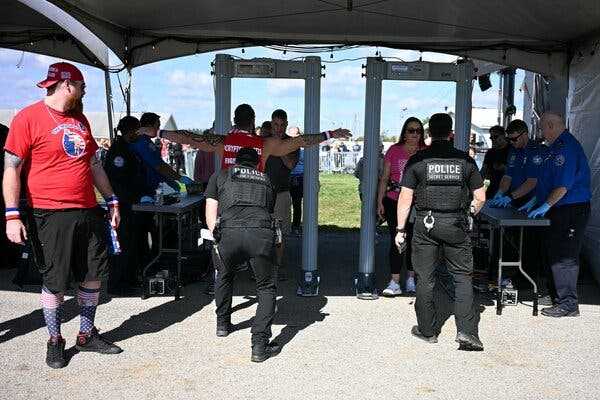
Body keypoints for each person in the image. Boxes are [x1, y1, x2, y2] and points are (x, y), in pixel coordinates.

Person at [3, 62, 123, 369]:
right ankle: (55, 340)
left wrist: (111, 200)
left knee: (92, 275)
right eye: (82, 87)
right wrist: (12, 215)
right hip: (49, 213)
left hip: (87, 210)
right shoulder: (28, 117)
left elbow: (94, 165)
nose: (84, 92)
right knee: (55, 281)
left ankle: (85, 335)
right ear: (67, 85)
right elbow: (11, 169)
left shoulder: (79, 119)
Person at [395, 113, 486, 351]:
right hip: (456, 224)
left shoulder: (418, 161)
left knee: (425, 278)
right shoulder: (465, 160)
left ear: (429, 133)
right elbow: (480, 196)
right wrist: (470, 213)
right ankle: (467, 332)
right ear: (450, 132)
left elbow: (405, 197)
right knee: (462, 278)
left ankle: (427, 331)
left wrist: (400, 229)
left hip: (426, 225)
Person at [205, 147, 279, 362]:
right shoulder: (266, 179)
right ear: (257, 165)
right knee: (266, 287)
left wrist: (216, 238)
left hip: (229, 233)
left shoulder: (220, 175)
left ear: (235, 162)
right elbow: (269, 209)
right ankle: (259, 345)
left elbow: (211, 210)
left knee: (225, 275)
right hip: (261, 233)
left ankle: (222, 324)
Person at [524, 112, 591, 317]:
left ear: (551, 125)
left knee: (565, 256)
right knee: (552, 253)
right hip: (557, 208)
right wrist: (536, 201)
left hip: (571, 209)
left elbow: (563, 185)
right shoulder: (552, 149)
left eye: (543, 127)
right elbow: (547, 181)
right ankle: (556, 296)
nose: (541, 132)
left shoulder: (566, 147)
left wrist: (544, 206)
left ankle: (568, 304)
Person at [377, 118, 425, 296]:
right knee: (397, 239)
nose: (415, 134)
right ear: (404, 132)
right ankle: (395, 280)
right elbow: (384, 178)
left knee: (414, 241)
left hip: (417, 202)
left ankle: (411, 279)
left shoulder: (425, 152)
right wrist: (379, 201)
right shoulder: (394, 150)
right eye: (411, 130)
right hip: (394, 200)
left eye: (418, 131)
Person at [103, 116, 150, 294]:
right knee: (121, 245)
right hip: (122, 204)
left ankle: (129, 279)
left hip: (131, 203)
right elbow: (117, 181)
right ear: (130, 131)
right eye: (136, 130)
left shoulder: (129, 148)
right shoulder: (119, 151)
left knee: (131, 244)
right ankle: (118, 284)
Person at [265, 109, 298, 280]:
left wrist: (280, 147)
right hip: (262, 193)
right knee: (262, 233)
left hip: (282, 194)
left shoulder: (292, 143)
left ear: (286, 124)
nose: (278, 128)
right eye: (275, 124)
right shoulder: (263, 141)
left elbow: (291, 164)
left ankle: (277, 267)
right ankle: (262, 268)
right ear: (271, 124)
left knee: (279, 234)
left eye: (281, 125)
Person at [481, 125, 510, 199]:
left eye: (495, 137)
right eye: (491, 137)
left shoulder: (512, 150)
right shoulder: (490, 153)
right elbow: (484, 172)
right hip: (491, 190)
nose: (493, 139)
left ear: (503, 136)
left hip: (507, 191)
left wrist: (504, 168)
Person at [288, 127, 304, 235]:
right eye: (292, 135)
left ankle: (296, 226)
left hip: (300, 177)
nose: (294, 137)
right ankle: (285, 225)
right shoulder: (284, 148)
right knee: (283, 203)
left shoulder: (304, 150)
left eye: (297, 134)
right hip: (286, 177)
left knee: (297, 204)